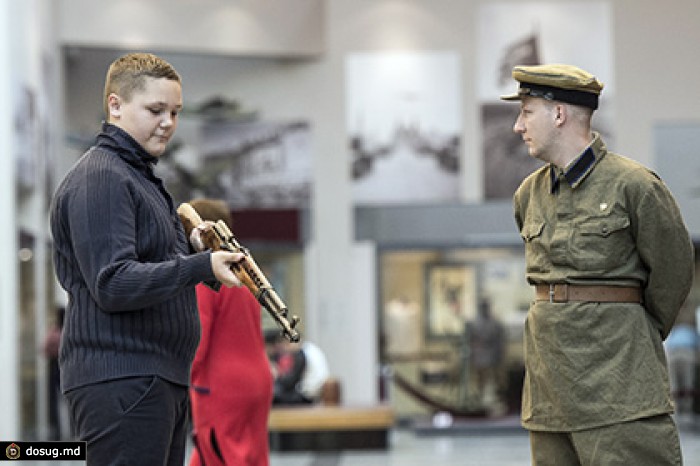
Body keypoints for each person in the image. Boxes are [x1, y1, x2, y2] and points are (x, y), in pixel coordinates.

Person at [49, 52, 242, 466]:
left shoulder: (137, 176)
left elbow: (143, 262)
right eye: (156, 110)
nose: (168, 122)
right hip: (123, 381)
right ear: (115, 106)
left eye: (175, 112)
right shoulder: (102, 176)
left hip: (152, 377)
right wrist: (200, 267)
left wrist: (192, 247)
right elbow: (113, 282)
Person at [502, 63, 694, 465]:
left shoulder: (635, 186)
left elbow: (674, 272)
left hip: (620, 391)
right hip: (549, 396)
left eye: (526, 111)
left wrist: (629, 332)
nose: (519, 126)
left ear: (559, 114)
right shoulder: (528, 195)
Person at [186, 198, 273, 466]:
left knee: (221, 454)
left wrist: (176, 375)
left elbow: (197, 338)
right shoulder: (244, 271)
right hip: (257, 378)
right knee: (243, 455)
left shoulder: (208, 273)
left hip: (220, 384)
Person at [465, 299, 505, 414]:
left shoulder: (495, 324)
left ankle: (490, 404)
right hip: (478, 357)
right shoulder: (473, 324)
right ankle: (480, 403)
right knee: (479, 383)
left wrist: (499, 357)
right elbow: (469, 342)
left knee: (493, 383)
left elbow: (499, 343)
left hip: (492, 357)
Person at [665, 322, 699, 417]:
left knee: (683, 383)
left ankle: (683, 410)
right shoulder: (676, 329)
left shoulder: (690, 331)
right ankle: (680, 410)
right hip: (681, 353)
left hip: (681, 353)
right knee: (679, 383)